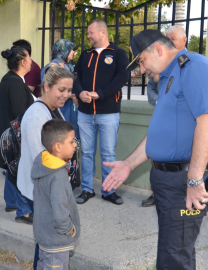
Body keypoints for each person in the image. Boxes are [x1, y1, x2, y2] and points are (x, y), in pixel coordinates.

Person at [102, 30, 208, 270]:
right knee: (173, 251)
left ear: (158, 50)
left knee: (174, 255)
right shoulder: (169, 77)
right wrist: (129, 164)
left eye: (141, 61)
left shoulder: (194, 67)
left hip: (184, 180)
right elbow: (161, 134)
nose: (141, 69)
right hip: (172, 181)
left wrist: (194, 181)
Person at [17, 66, 76, 270]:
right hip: (42, 190)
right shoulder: (36, 116)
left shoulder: (49, 109)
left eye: (69, 90)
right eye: (62, 90)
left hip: (48, 188)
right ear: (47, 86)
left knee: (45, 243)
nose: (66, 95)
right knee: (47, 242)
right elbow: (40, 161)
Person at [73, 19, 129, 205]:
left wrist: (100, 94)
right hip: (85, 113)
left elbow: (122, 77)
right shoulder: (85, 54)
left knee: (108, 154)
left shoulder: (118, 53)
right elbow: (75, 77)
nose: (88, 36)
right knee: (87, 153)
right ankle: (87, 190)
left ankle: (108, 190)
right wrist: (80, 92)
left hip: (108, 113)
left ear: (102, 32)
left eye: (91, 33)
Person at [0, 46, 34, 224]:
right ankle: (23, 212)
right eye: (29, 58)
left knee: (12, 169)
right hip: (16, 137)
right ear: (23, 61)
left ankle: (12, 203)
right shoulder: (15, 83)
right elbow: (20, 114)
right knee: (21, 171)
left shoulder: (9, 79)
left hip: (9, 135)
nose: (31, 61)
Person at [143, 25, 188, 207]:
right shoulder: (161, 64)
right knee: (158, 154)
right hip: (161, 116)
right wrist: (160, 103)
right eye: (167, 38)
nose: (169, 41)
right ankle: (157, 193)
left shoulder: (189, 65)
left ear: (184, 41)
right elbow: (151, 87)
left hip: (180, 127)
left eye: (173, 38)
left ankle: (183, 194)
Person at [32, 119, 81, 270]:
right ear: (58, 146)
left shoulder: (44, 164)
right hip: (56, 242)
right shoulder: (57, 176)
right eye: (72, 141)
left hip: (45, 239)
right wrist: (69, 229)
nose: (75, 145)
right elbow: (60, 212)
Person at [41, 39, 80, 138]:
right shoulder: (52, 67)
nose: (73, 52)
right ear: (63, 50)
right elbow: (51, 88)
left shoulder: (66, 65)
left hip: (68, 108)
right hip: (60, 108)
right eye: (70, 49)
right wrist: (71, 95)